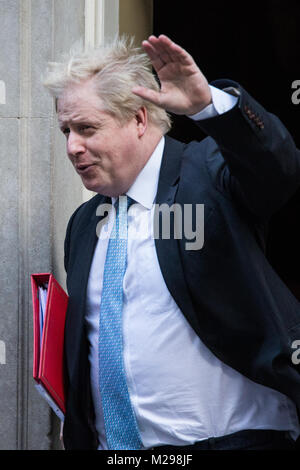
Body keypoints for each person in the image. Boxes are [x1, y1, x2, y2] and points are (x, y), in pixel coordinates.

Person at [44, 34, 300, 451]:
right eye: (66, 130)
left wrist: (211, 108)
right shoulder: (85, 222)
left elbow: (277, 170)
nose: (73, 147)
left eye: (87, 128)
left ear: (140, 119)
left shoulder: (208, 174)